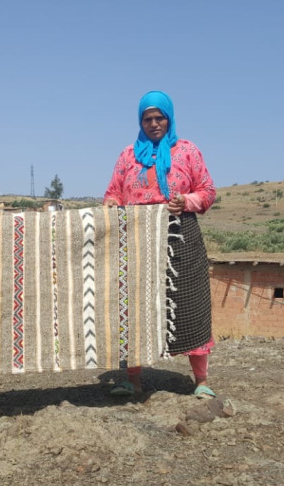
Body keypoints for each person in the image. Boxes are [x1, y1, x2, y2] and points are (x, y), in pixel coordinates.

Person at [104, 90, 216, 399]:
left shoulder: (188, 151)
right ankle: (133, 380)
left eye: (159, 117)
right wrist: (112, 203)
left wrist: (187, 200)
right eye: (147, 118)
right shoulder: (128, 155)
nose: (154, 123)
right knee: (135, 308)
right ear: (140, 121)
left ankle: (201, 381)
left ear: (170, 118)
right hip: (137, 240)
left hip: (180, 238)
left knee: (190, 306)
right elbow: (112, 192)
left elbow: (207, 190)